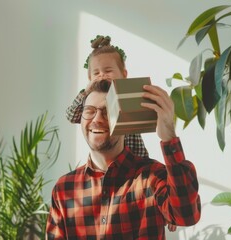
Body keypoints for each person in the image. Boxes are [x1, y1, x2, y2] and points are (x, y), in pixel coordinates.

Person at [46, 80, 201, 239]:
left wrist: (169, 137)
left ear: (122, 120)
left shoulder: (152, 176)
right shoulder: (64, 189)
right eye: (89, 111)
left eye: (107, 111)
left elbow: (186, 214)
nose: (97, 119)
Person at [65, 35, 177, 232]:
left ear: (124, 74)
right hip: (103, 170)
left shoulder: (128, 97)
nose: (102, 76)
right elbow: (71, 115)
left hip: (135, 170)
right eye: (96, 73)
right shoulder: (90, 100)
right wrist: (87, 91)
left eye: (108, 71)